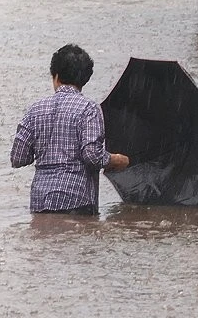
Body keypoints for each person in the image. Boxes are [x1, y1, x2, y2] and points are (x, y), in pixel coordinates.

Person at [10, 44, 130, 215]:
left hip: (41, 201)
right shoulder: (89, 109)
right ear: (85, 79)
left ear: (56, 76)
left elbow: (17, 158)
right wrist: (115, 159)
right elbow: (92, 155)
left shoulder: (34, 110)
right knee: (77, 240)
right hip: (78, 201)